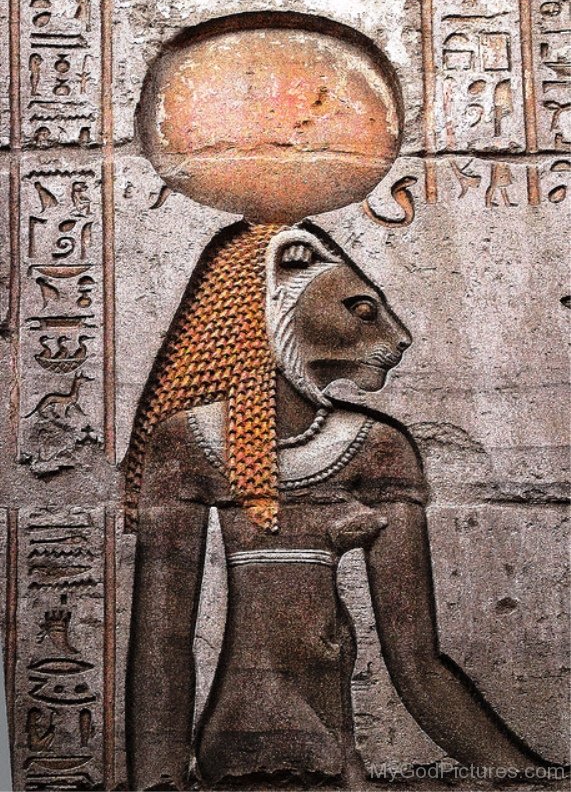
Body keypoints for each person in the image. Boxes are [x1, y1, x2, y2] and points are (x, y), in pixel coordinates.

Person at [125, 221, 548, 790]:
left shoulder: (379, 447)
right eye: (363, 311)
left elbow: (417, 662)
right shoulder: (187, 441)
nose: (400, 337)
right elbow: (162, 646)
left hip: (339, 745)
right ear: (276, 295)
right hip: (239, 741)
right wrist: (157, 783)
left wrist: (525, 776)